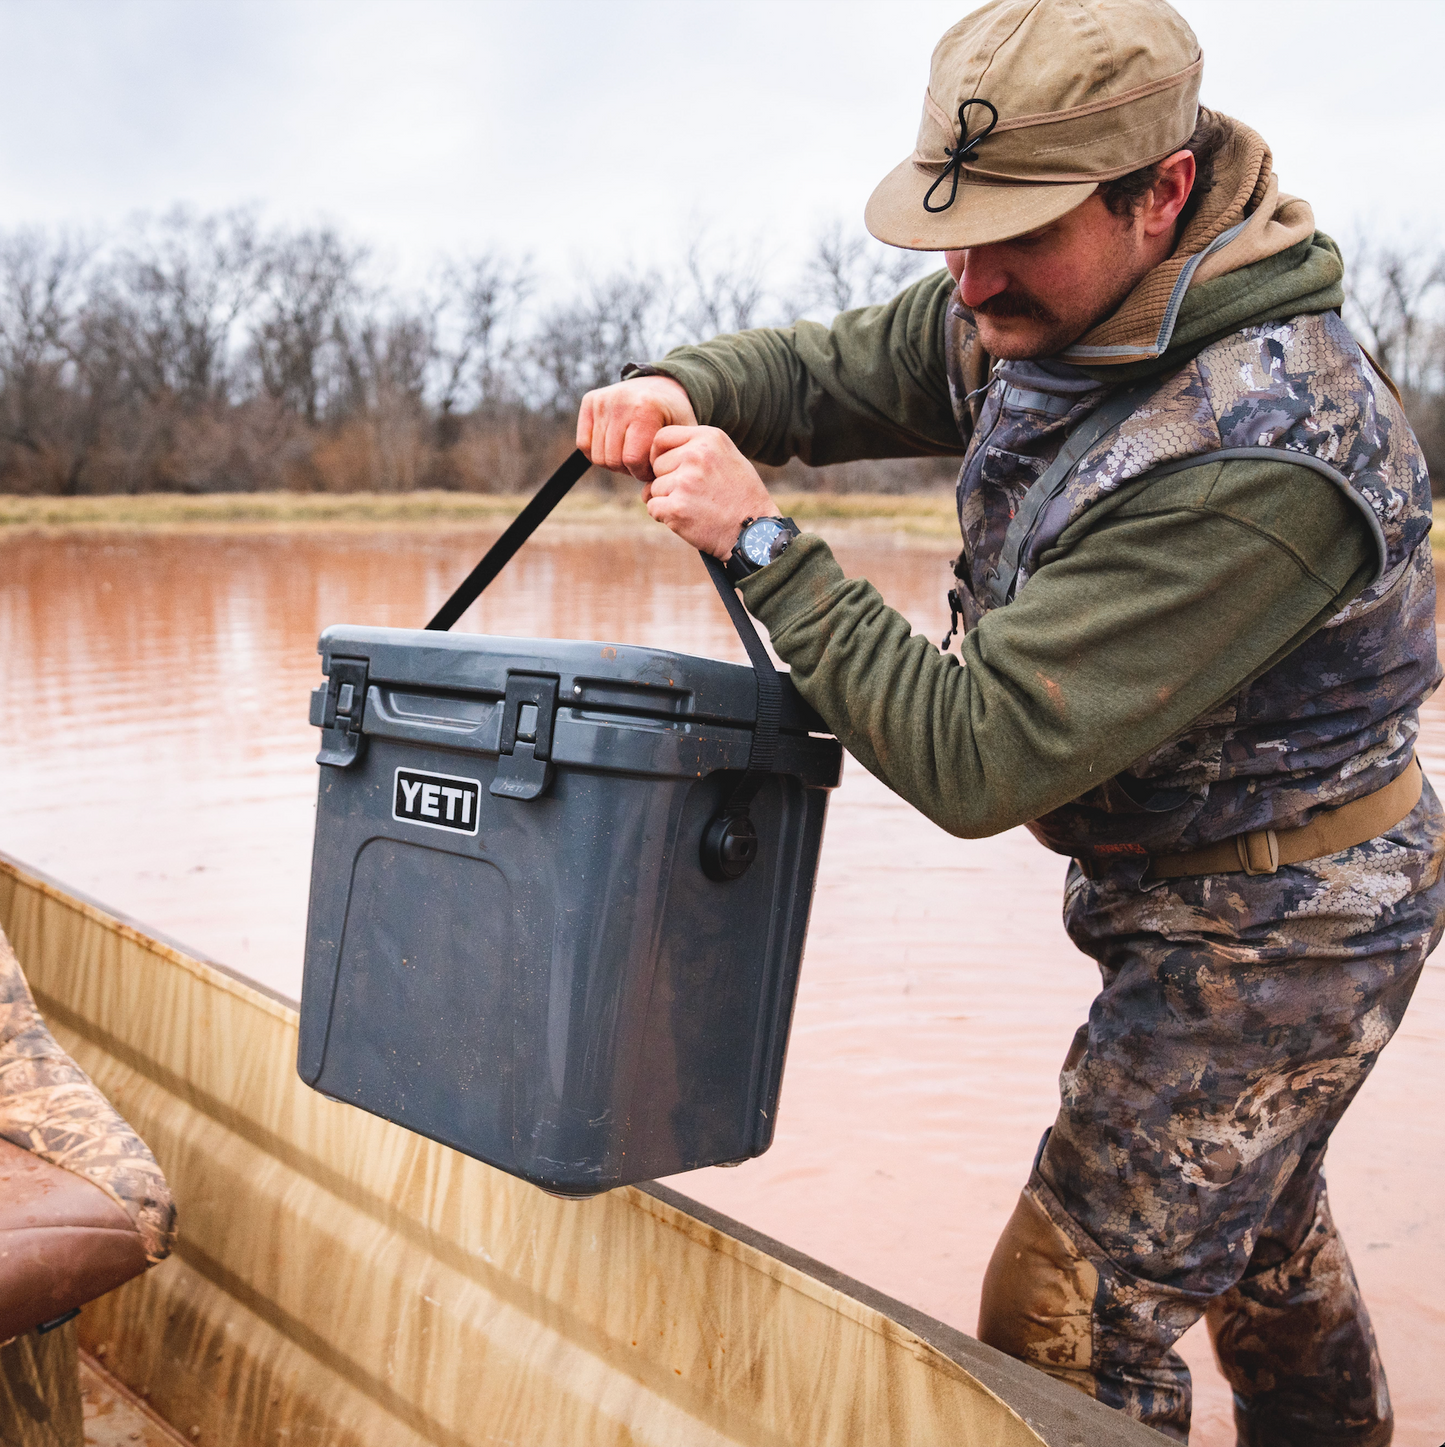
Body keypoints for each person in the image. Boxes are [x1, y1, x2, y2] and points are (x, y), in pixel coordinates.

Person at [575, 1, 1442, 1443]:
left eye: (1011, 236)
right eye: (952, 234)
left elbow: (977, 752)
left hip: (1288, 925)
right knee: (1262, 1247)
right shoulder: (1058, 296)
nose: (968, 283)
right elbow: (847, 363)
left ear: (1159, 192)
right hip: (1192, 877)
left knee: (1065, 1309)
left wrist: (765, 547)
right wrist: (689, 384)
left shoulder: (1266, 445)